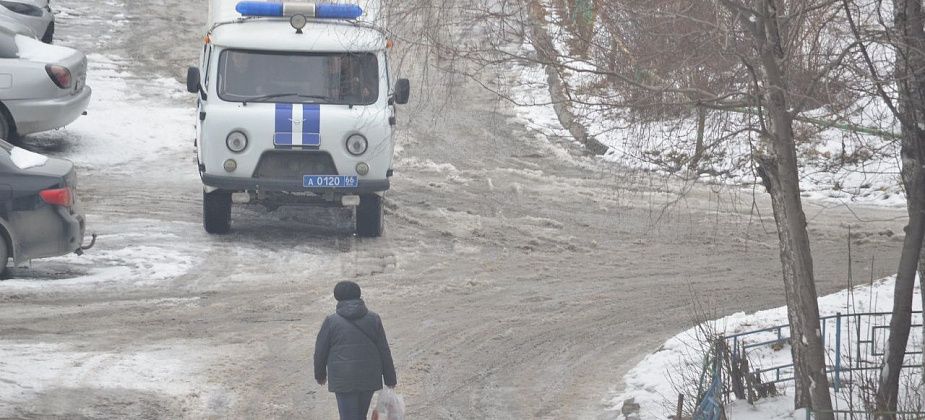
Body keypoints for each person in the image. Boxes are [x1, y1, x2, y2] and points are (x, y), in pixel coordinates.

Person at [314, 281, 397, 420]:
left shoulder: (331, 321)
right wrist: (390, 378)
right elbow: (384, 350)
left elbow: (320, 351)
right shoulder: (374, 319)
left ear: (337, 297)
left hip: (343, 379)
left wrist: (320, 375)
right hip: (369, 376)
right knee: (360, 415)